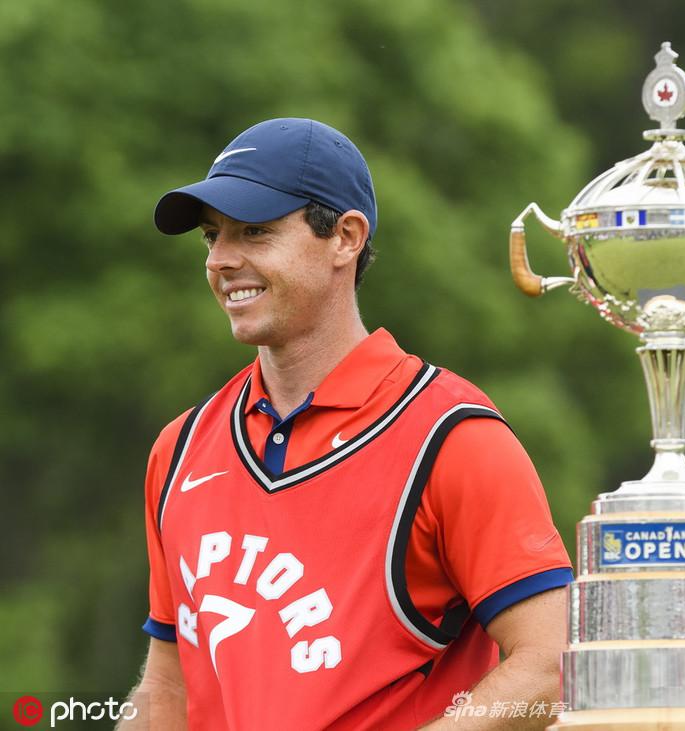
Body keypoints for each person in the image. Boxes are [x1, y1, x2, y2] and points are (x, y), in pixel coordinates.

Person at [120, 118, 573, 730]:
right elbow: (168, 684)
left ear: (345, 238)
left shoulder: (452, 438)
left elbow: (550, 667)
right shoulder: (179, 450)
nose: (223, 259)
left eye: (255, 231)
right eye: (210, 237)